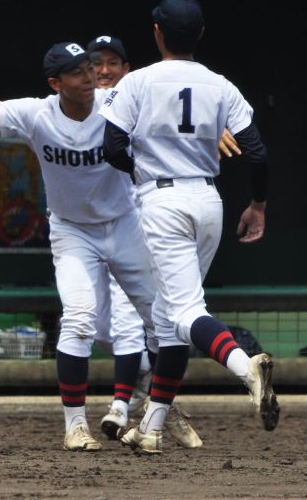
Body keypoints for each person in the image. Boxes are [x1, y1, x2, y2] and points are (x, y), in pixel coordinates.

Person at [0, 39, 192, 453]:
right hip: (73, 231)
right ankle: (75, 426)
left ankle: (158, 415)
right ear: (55, 82)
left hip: (124, 224)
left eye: (91, 68)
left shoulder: (117, 100)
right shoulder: (36, 112)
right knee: (79, 321)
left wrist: (213, 125)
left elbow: (173, 111)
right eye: (78, 72)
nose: (90, 76)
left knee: (164, 322)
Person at [99, 0, 277, 454]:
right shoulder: (221, 84)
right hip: (209, 201)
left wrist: (146, 165)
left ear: (157, 33)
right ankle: (153, 427)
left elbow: (112, 146)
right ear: (199, 34)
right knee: (165, 319)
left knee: (182, 313)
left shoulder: (137, 80)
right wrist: (257, 204)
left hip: (163, 199)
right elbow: (256, 153)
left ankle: (245, 368)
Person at [87, 35, 202, 449]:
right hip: (82, 227)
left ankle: (122, 406)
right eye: (95, 62)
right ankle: (154, 393)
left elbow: (183, 119)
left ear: (126, 68)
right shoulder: (81, 103)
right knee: (97, 326)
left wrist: (217, 125)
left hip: (133, 223)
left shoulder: (138, 98)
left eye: (112, 61)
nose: (103, 69)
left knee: (131, 319)